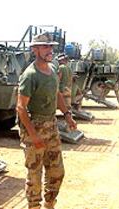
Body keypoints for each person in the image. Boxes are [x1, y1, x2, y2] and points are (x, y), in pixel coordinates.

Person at [17, 33, 77, 209]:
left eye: (50, 46)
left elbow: (57, 93)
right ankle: (34, 206)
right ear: (35, 50)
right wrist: (34, 136)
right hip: (34, 127)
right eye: (45, 47)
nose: (50, 50)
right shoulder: (30, 75)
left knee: (57, 172)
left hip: (51, 126)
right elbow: (21, 108)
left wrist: (67, 115)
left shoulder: (52, 70)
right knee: (34, 175)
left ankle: (49, 204)